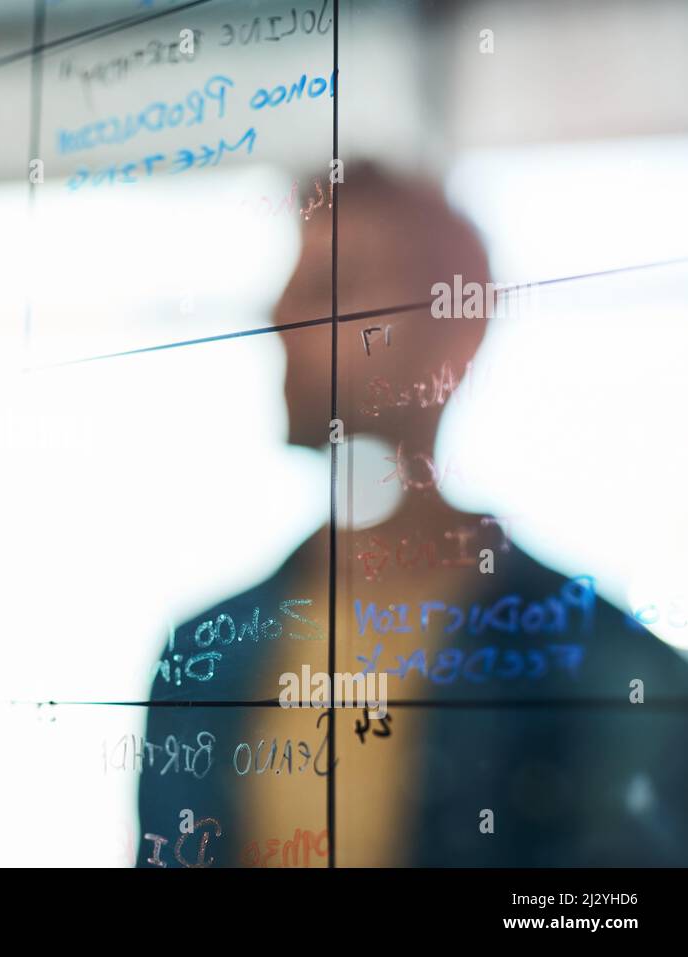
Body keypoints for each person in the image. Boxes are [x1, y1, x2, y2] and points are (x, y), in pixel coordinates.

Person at [136, 162, 688, 867]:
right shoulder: (199, 658)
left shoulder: (609, 668)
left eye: (335, 288)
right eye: (289, 292)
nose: (284, 319)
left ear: (459, 331)